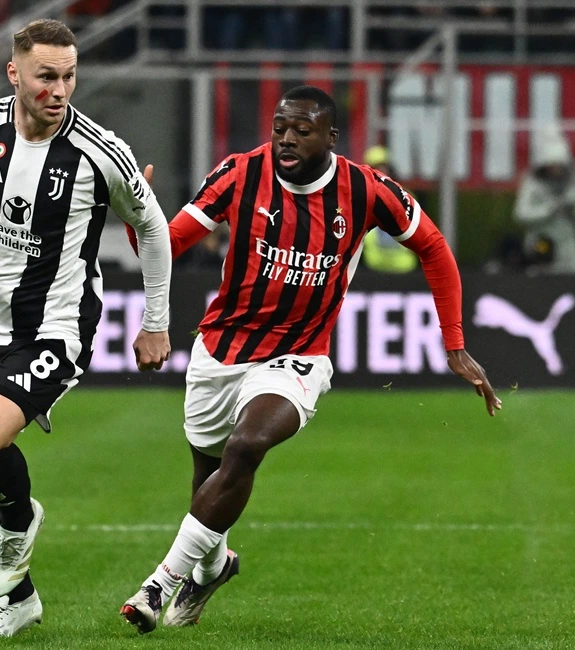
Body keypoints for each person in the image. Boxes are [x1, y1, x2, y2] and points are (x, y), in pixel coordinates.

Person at [119, 86, 502, 634]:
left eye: (302, 130)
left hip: (300, 352)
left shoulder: (367, 189)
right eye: (280, 128)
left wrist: (455, 343)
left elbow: (434, 248)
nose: (287, 139)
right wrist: (141, 217)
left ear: (331, 137)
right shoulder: (238, 174)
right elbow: (165, 245)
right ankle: (213, 566)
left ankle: (158, 585)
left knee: (246, 446)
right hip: (220, 348)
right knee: (208, 477)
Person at [0, 19, 172, 639]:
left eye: (69, 75)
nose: (60, 89)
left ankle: (21, 527)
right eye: (46, 75)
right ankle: (18, 598)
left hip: (57, 325)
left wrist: (156, 323)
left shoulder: (101, 151)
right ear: (14, 72)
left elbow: (153, 227)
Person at [514, 127, 575, 274]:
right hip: (541, 243)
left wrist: (572, 209)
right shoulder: (532, 184)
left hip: (568, 247)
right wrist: (548, 209)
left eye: (559, 166)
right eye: (552, 166)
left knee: (572, 285)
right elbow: (521, 214)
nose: (555, 170)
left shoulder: (572, 185)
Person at [360, 145, 418, 274]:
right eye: (375, 168)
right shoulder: (360, 198)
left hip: (405, 265)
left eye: (383, 167)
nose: (381, 172)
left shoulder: (407, 196)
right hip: (372, 265)